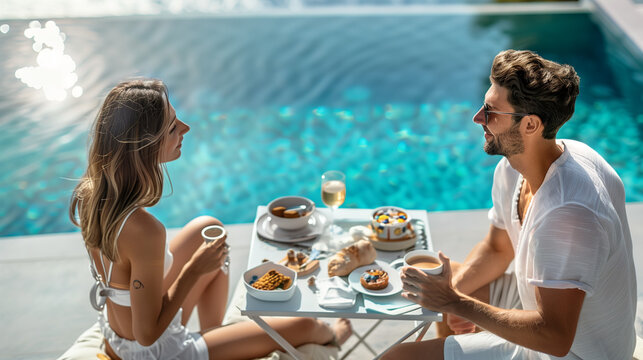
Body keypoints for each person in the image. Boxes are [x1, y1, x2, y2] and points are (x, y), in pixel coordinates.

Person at [70, 79, 351, 360]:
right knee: (304, 325)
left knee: (208, 229)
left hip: (116, 336)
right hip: (153, 353)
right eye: (172, 127)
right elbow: (147, 335)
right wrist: (193, 269)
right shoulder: (145, 231)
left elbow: (126, 286)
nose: (185, 128)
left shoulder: (89, 193)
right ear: (146, 147)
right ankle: (330, 336)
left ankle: (216, 335)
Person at [383, 50, 636, 359]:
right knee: (446, 280)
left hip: (575, 352)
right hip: (545, 308)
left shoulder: (569, 214)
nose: (478, 118)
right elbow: (498, 250)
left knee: (397, 358)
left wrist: (456, 303)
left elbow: (555, 338)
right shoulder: (515, 167)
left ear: (530, 125)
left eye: (491, 112)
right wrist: (454, 293)